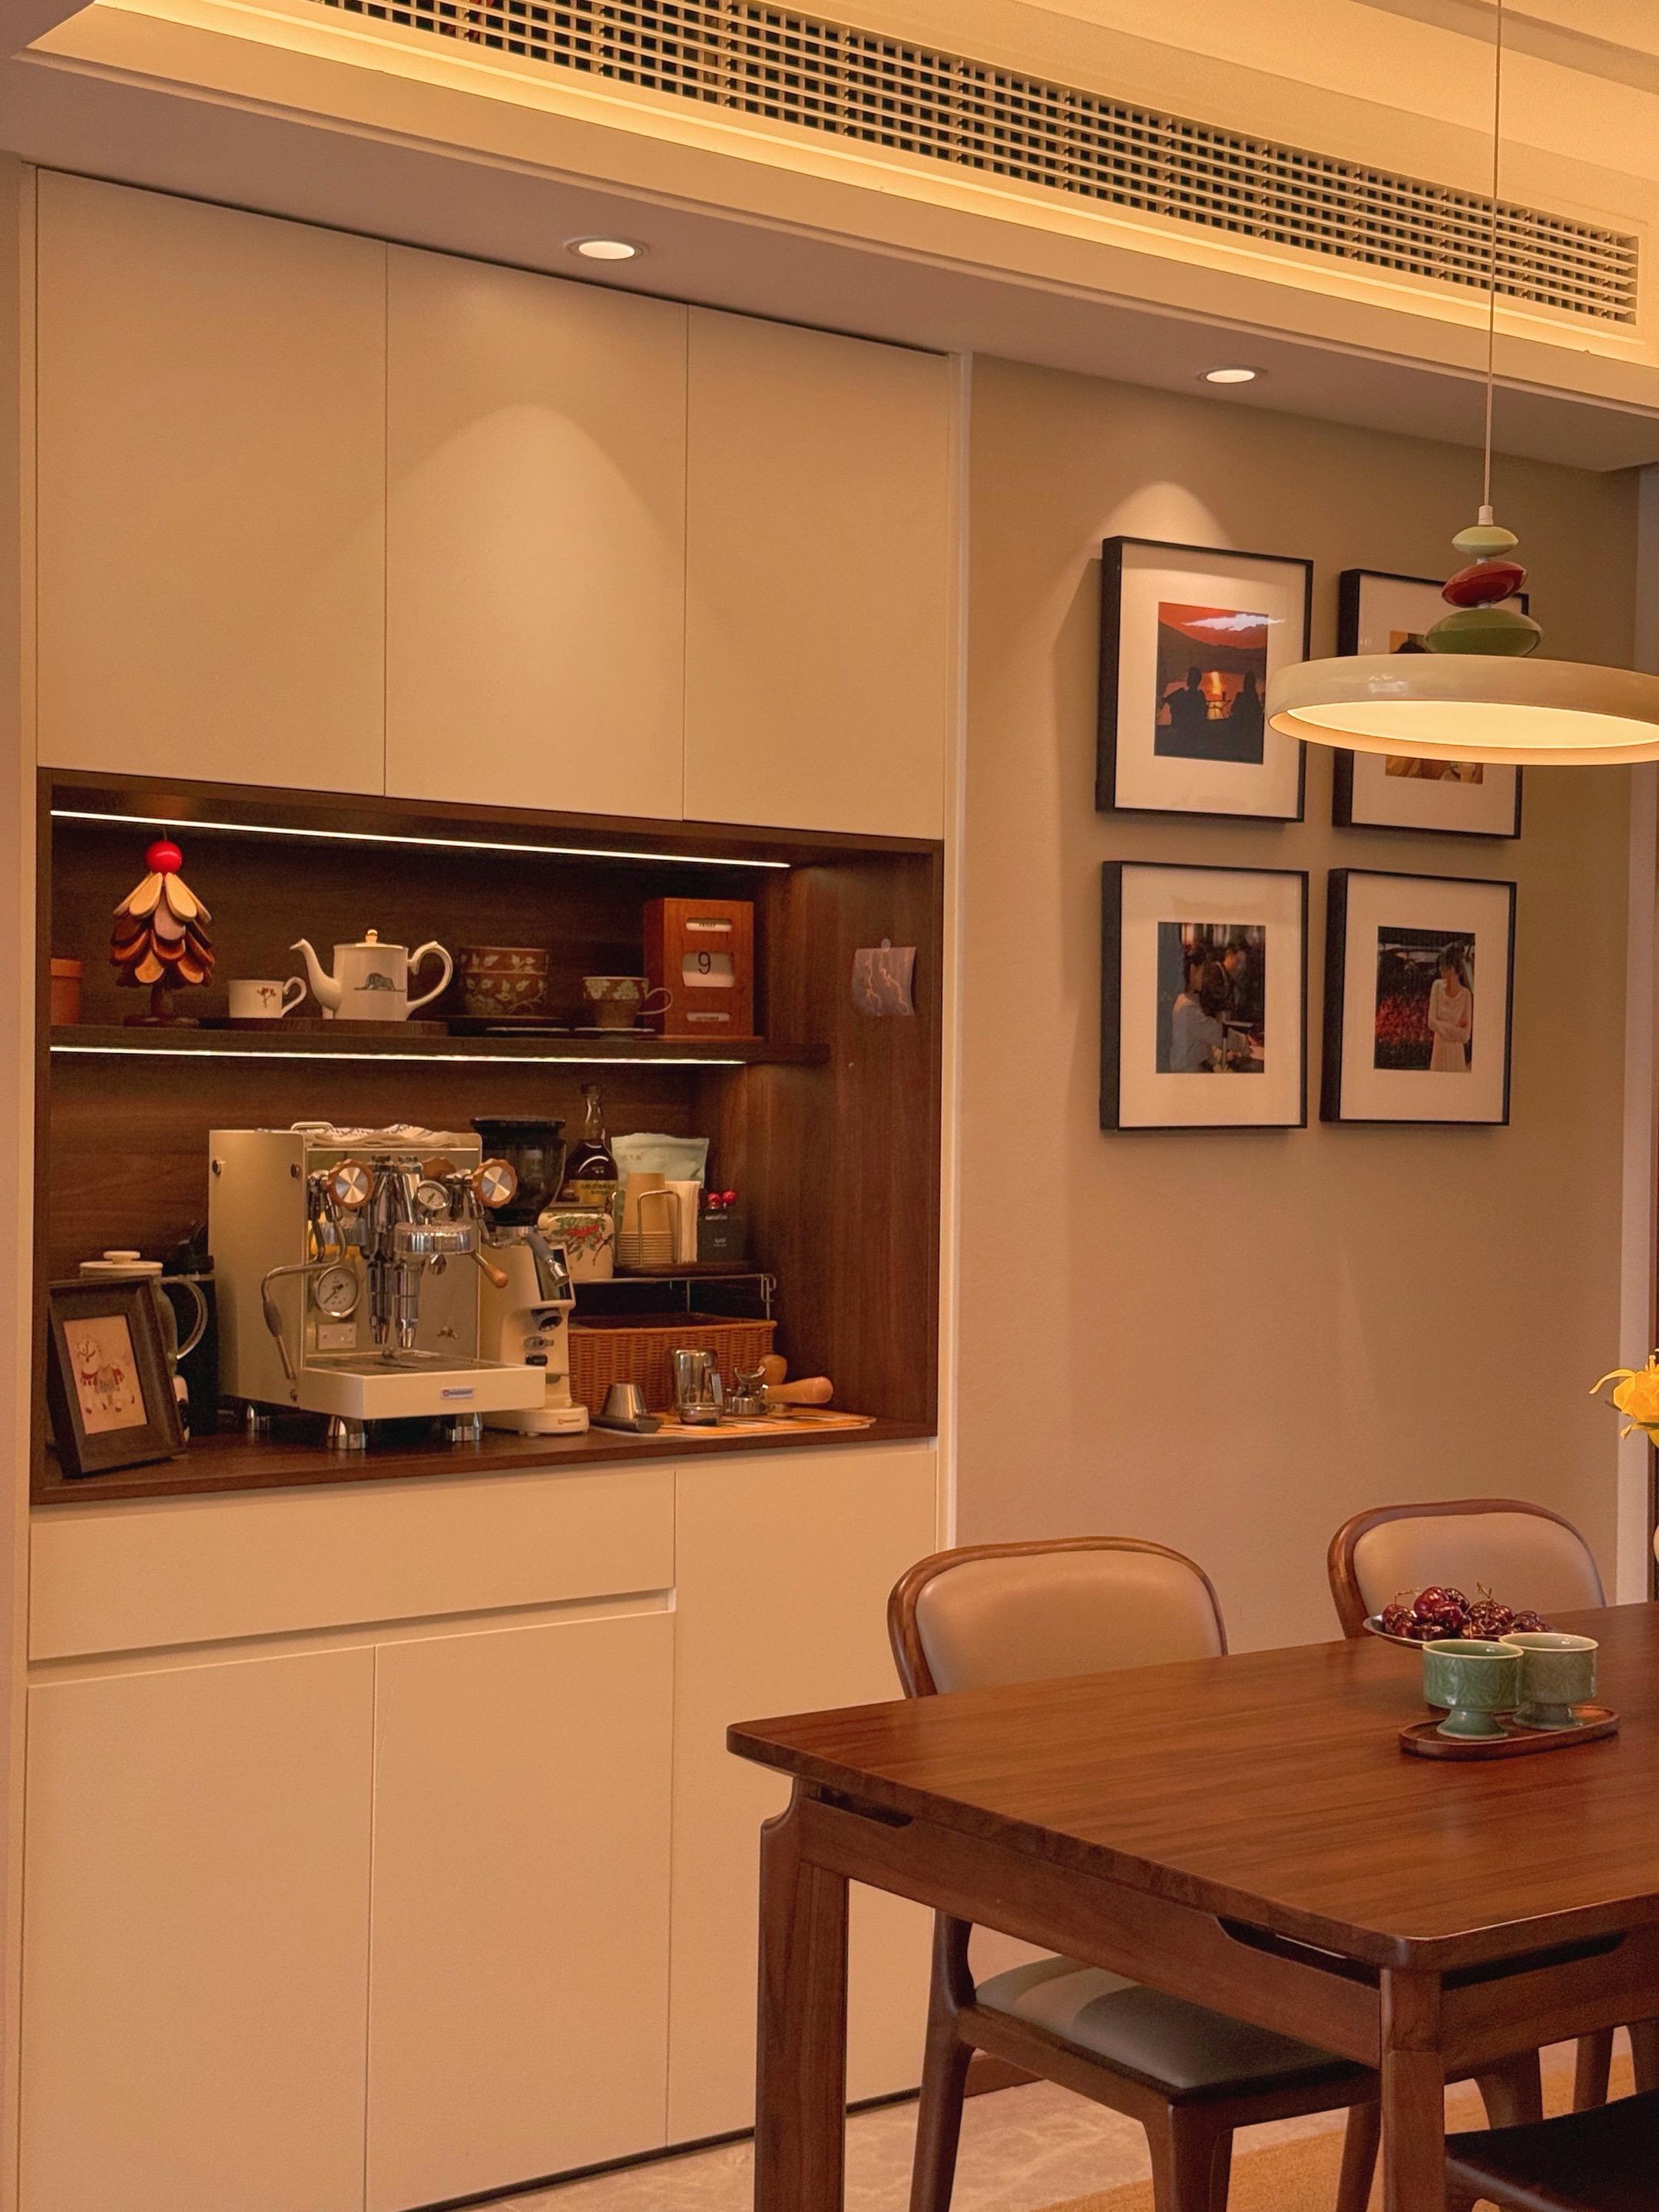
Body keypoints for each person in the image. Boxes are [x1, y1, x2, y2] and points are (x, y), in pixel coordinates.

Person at [1168, 958, 1231, 1072]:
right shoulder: (1186, 1006)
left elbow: (1202, 1045)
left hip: (1194, 1068)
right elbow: (1214, 1033)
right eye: (1203, 972)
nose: (1205, 978)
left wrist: (1220, 1056)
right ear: (1193, 970)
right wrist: (1243, 1043)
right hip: (1186, 1072)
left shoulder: (1191, 1000)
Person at [1427, 944, 1473, 1072]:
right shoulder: (1437, 986)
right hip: (1439, 1052)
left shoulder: (1465, 995)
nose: (1442, 969)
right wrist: (1455, 1030)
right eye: (1441, 965)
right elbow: (1431, 1022)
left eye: (1446, 966)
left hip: (1456, 1055)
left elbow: (1465, 1036)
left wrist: (1441, 1027)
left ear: (1455, 968)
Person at [1160, 665, 1210, 745]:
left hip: (1184, 730)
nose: (1187, 679)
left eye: (1190, 677)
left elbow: (1166, 700)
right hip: (1191, 729)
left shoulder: (1183, 694)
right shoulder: (1198, 695)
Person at [1226, 667, 1264, 749]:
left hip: (1240, 724)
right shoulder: (1254, 696)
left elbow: (1233, 709)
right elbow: (1257, 711)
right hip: (1250, 725)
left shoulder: (1240, 696)